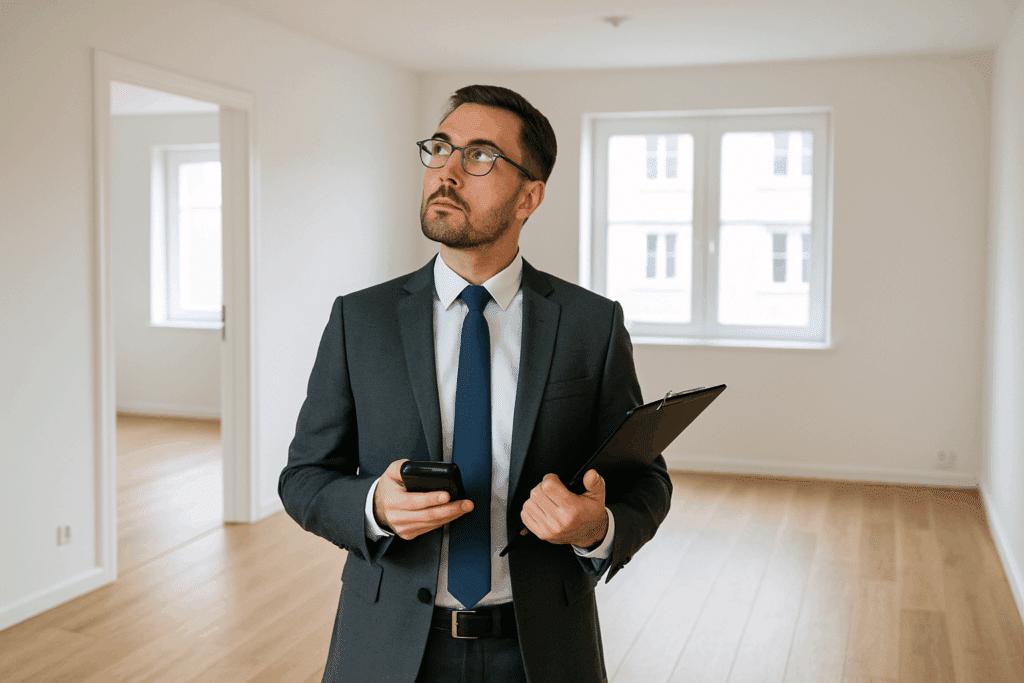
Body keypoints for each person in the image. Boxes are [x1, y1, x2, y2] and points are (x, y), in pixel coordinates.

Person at [279, 84, 672, 683]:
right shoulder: (359, 320)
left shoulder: (592, 325)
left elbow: (644, 479)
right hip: (385, 649)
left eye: (480, 156)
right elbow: (304, 477)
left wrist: (596, 528)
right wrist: (374, 508)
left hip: (541, 651)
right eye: (440, 148)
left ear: (528, 197)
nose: (448, 171)